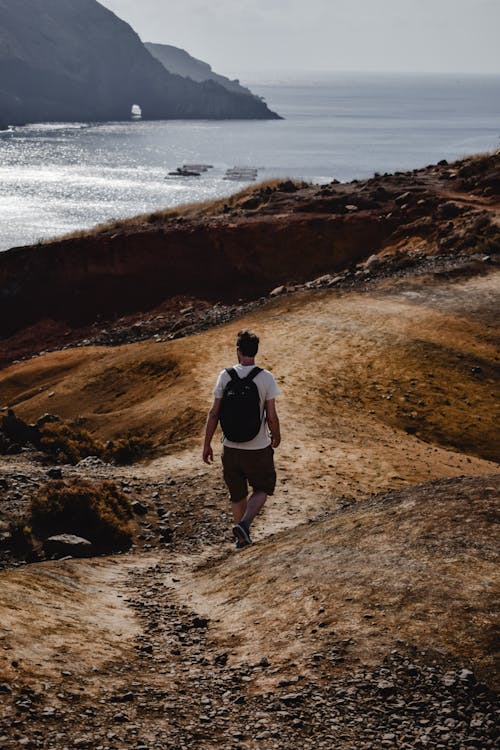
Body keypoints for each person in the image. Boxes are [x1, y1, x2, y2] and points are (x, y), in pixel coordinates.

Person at [202, 329, 281, 548]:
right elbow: (271, 415)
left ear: (238, 351)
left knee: (237, 495)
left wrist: (207, 443)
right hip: (257, 447)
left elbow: (214, 413)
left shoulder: (225, 375)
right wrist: (276, 435)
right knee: (262, 488)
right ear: (255, 351)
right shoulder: (266, 378)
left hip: (230, 447)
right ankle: (245, 525)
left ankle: (241, 540)